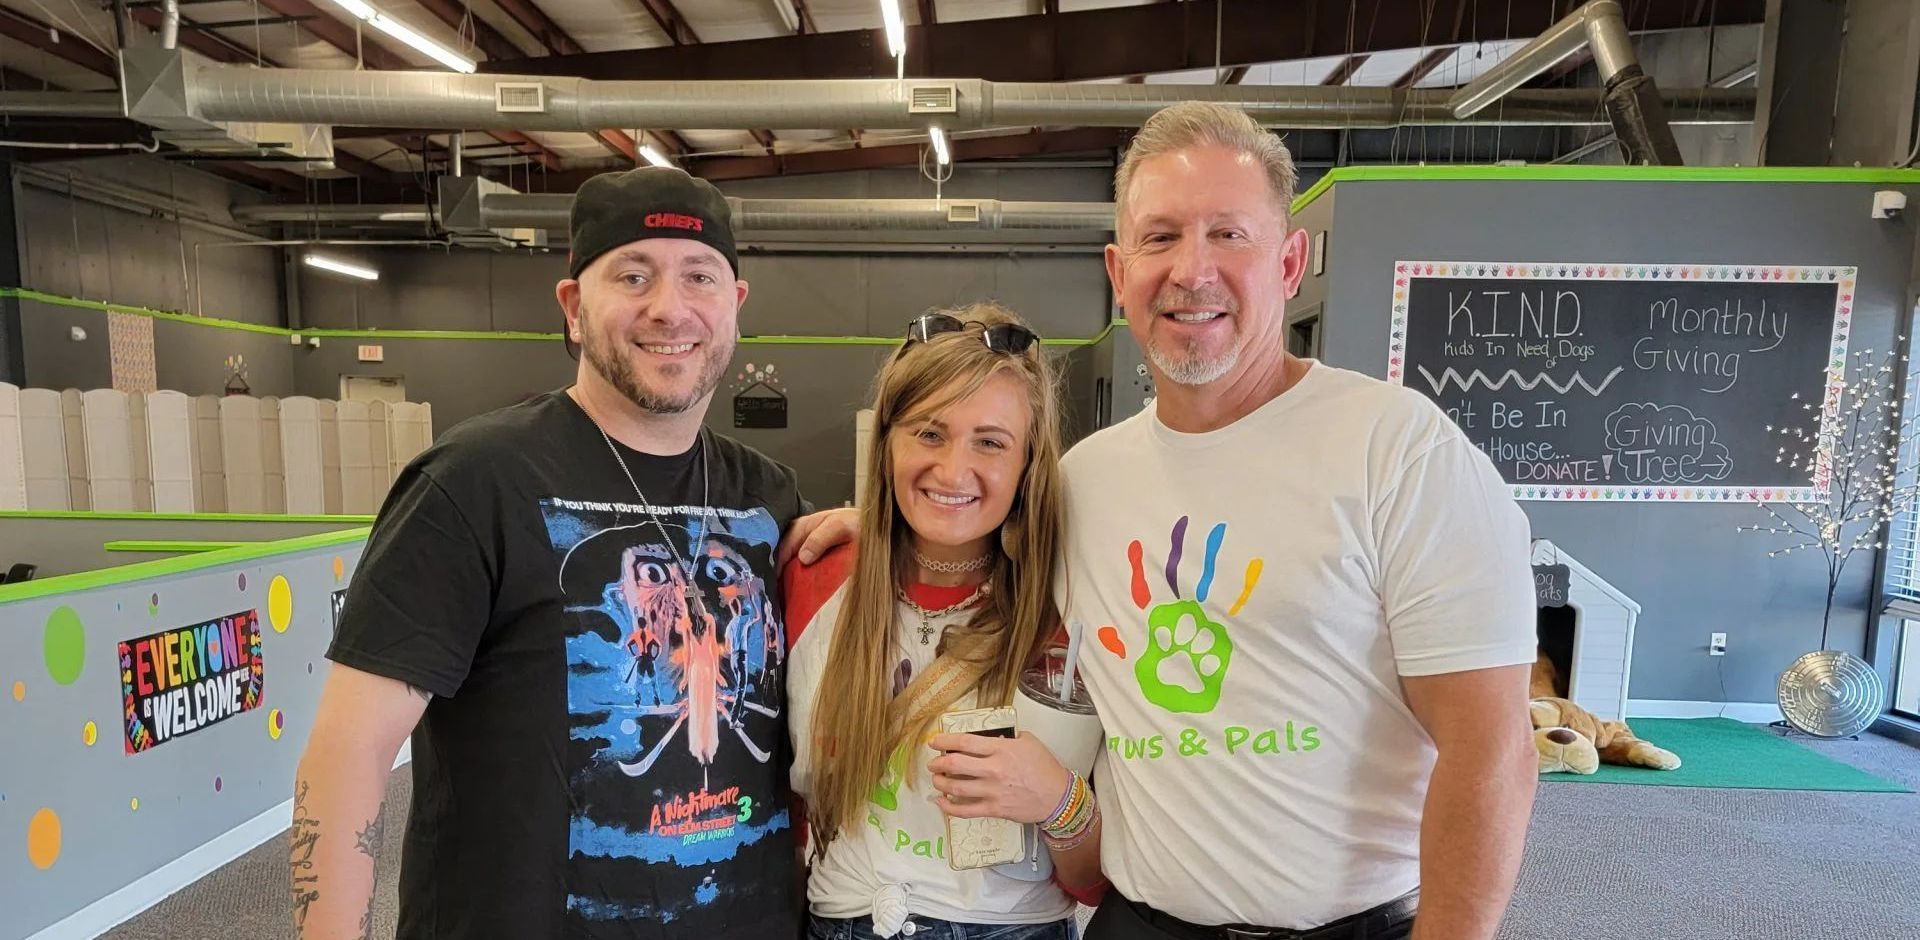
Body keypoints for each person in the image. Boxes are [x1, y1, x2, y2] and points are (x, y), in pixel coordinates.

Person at [785, 101, 1539, 940]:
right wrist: (883, 518)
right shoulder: (1086, 481)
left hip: (1350, 924)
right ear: (1118, 268)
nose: (1192, 269)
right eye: (1161, 236)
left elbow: (1493, 754)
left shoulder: (1399, 452)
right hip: (1141, 923)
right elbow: (980, 526)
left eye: (1229, 234)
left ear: (1290, 262)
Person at [295, 167, 808, 939]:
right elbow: (349, 755)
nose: (669, 308)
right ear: (573, 307)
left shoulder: (770, 500)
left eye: (698, 277)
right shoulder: (474, 482)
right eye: (632, 275)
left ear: (733, 307)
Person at [784, 303, 1101, 940]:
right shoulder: (812, 575)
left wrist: (1060, 802)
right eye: (929, 432)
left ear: (1028, 464)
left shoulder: (1076, 603)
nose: (953, 471)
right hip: (840, 918)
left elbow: (1095, 882)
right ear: (887, 443)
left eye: (990, 442)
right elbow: (783, 813)